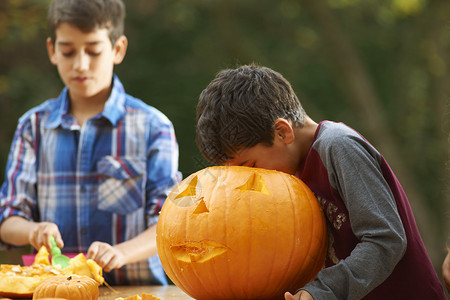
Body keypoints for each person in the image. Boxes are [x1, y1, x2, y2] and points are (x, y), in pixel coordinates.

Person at [195, 64, 446, 299]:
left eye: (250, 167)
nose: (249, 179)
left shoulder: (337, 147)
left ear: (282, 132)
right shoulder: (287, 171)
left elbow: (386, 240)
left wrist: (323, 290)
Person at [0, 0, 181, 285]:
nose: (80, 64)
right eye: (68, 51)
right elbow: (7, 219)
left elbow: (169, 225)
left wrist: (120, 253)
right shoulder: (32, 127)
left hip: (135, 291)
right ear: (52, 50)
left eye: (93, 51)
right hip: (56, 290)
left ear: (118, 49)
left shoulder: (153, 127)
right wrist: (33, 231)